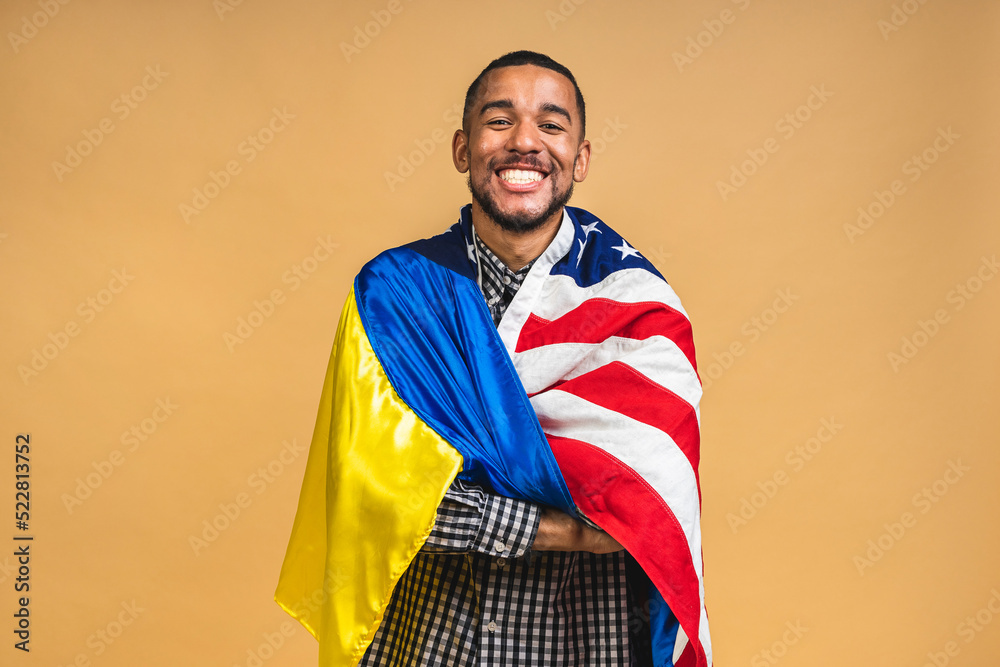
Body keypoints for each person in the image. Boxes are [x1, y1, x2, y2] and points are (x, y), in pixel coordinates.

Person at [275, 51, 711, 667]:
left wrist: (475, 494)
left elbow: (650, 505)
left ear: (580, 157)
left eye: (552, 126)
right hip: (433, 642)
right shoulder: (395, 295)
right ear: (463, 148)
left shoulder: (636, 307)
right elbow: (378, 499)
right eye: (499, 121)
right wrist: (571, 529)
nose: (525, 143)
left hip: (589, 642)